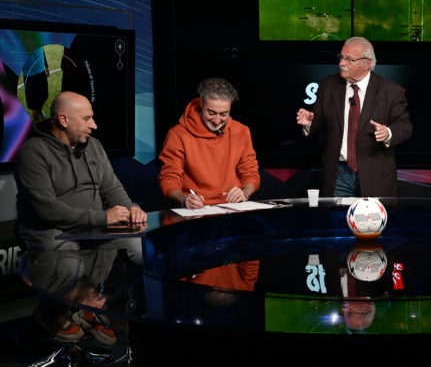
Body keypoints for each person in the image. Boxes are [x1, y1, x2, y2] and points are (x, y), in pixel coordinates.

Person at [14, 91, 147, 253]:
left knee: (141, 246)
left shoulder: (94, 145)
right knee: (68, 256)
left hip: (93, 227)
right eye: (86, 119)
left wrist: (130, 209)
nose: (94, 125)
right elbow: (47, 209)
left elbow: (111, 188)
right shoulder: (33, 152)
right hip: (49, 230)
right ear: (63, 120)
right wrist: (103, 218)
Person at [295, 36, 413, 197]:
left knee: (372, 215)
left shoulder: (391, 90)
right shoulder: (328, 86)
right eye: (341, 57)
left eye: (349, 59)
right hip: (339, 174)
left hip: (375, 174)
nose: (341, 63)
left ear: (366, 64)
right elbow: (320, 121)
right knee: (337, 214)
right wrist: (310, 122)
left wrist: (388, 133)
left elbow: (405, 125)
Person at [159, 78, 260, 209]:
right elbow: (169, 178)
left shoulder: (241, 131)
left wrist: (244, 193)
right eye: (211, 113)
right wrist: (184, 199)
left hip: (232, 207)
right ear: (201, 104)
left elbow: (250, 174)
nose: (217, 121)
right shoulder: (177, 134)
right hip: (195, 209)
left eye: (224, 114)